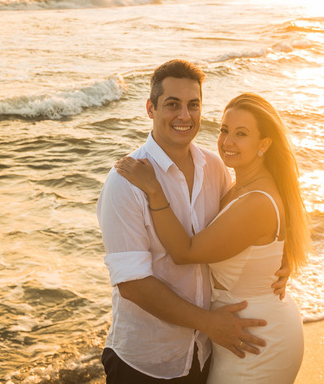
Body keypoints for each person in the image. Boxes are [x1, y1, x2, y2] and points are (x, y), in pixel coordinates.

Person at [98, 60, 274, 383]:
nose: (184, 116)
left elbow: (242, 228)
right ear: (150, 108)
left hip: (204, 353)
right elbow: (133, 286)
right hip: (144, 362)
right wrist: (209, 322)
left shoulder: (215, 168)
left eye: (193, 105)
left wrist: (281, 260)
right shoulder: (125, 181)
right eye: (172, 105)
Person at [116, 92, 309, 384]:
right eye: (224, 130)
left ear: (264, 144)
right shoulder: (236, 186)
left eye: (241, 134)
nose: (227, 142)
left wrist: (154, 190)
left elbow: (186, 251)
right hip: (239, 334)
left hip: (257, 340)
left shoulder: (256, 200)